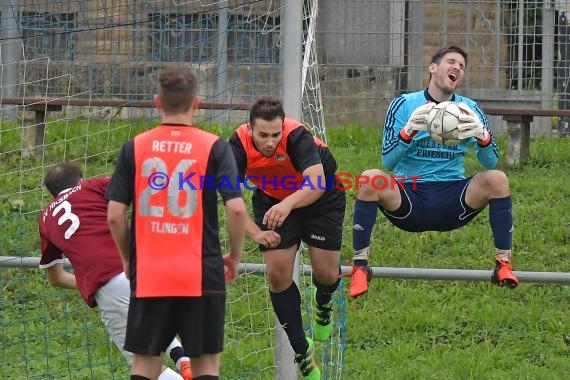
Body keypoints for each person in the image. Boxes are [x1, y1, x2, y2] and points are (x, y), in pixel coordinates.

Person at [106, 65, 247, 380]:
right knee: (206, 366)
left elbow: (115, 214)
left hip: (151, 272)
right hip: (201, 272)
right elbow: (236, 210)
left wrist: (129, 259)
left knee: (144, 364)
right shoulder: (214, 146)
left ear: (158, 102)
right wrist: (234, 257)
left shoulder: (135, 147)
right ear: (196, 103)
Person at [348, 45, 519, 298]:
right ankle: (360, 267)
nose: (457, 68)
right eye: (451, 62)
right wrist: (408, 132)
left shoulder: (469, 108)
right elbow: (389, 161)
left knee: (498, 179)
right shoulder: (404, 104)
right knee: (371, 178)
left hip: (453, 199)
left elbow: (490, 162)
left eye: (462, 66)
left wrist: (483, 137)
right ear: (433, 68)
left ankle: (503, 263)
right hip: (410, 196)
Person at [38, 163, 192, 380]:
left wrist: (86, 280)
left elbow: (55, 277)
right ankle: (183, 358)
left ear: (52, 193)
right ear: (80, 180)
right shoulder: (93, 187)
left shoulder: (46, 218)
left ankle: (183, 362)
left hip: (106, 291)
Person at [228, 96, 345, 380]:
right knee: (277, 275)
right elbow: (231, 200)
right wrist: (257, 233)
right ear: (250, 129)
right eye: (263, 135)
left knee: (326, 272)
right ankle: (302, 351)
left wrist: (288, 204)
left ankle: (324, 300)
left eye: (275, 134)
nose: (270, 142)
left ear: (283, 128)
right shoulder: (237, 145)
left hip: (320, 197)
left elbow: (316, 183)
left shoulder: (297, 136)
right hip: (272, 199)